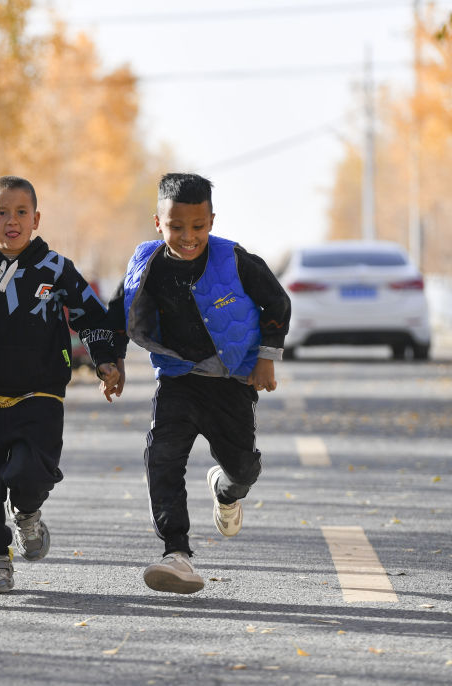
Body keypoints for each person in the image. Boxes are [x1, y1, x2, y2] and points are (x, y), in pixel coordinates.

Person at [0, 175, 121, 594]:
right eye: (1, 213)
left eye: (21, 212)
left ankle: (27, 513)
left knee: (31, 473)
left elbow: (91, 316)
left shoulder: (57, 269)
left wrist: (104, 360)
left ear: (36, 219)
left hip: (41, 393)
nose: (11, 221)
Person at [103, 172, 290, 594]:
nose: (188, 237)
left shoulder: (234, 259)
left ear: (212, 221)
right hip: (178, 379)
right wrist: (111, 362)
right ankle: (176, 552)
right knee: (162, 457)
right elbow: (118, 314)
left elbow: (277, 303)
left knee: (242, 468)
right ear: (158, 223)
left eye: (198, 226)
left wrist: (267, 358)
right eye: (176, 227)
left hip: (231, 380)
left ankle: (225, 492)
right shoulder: (146, 264)